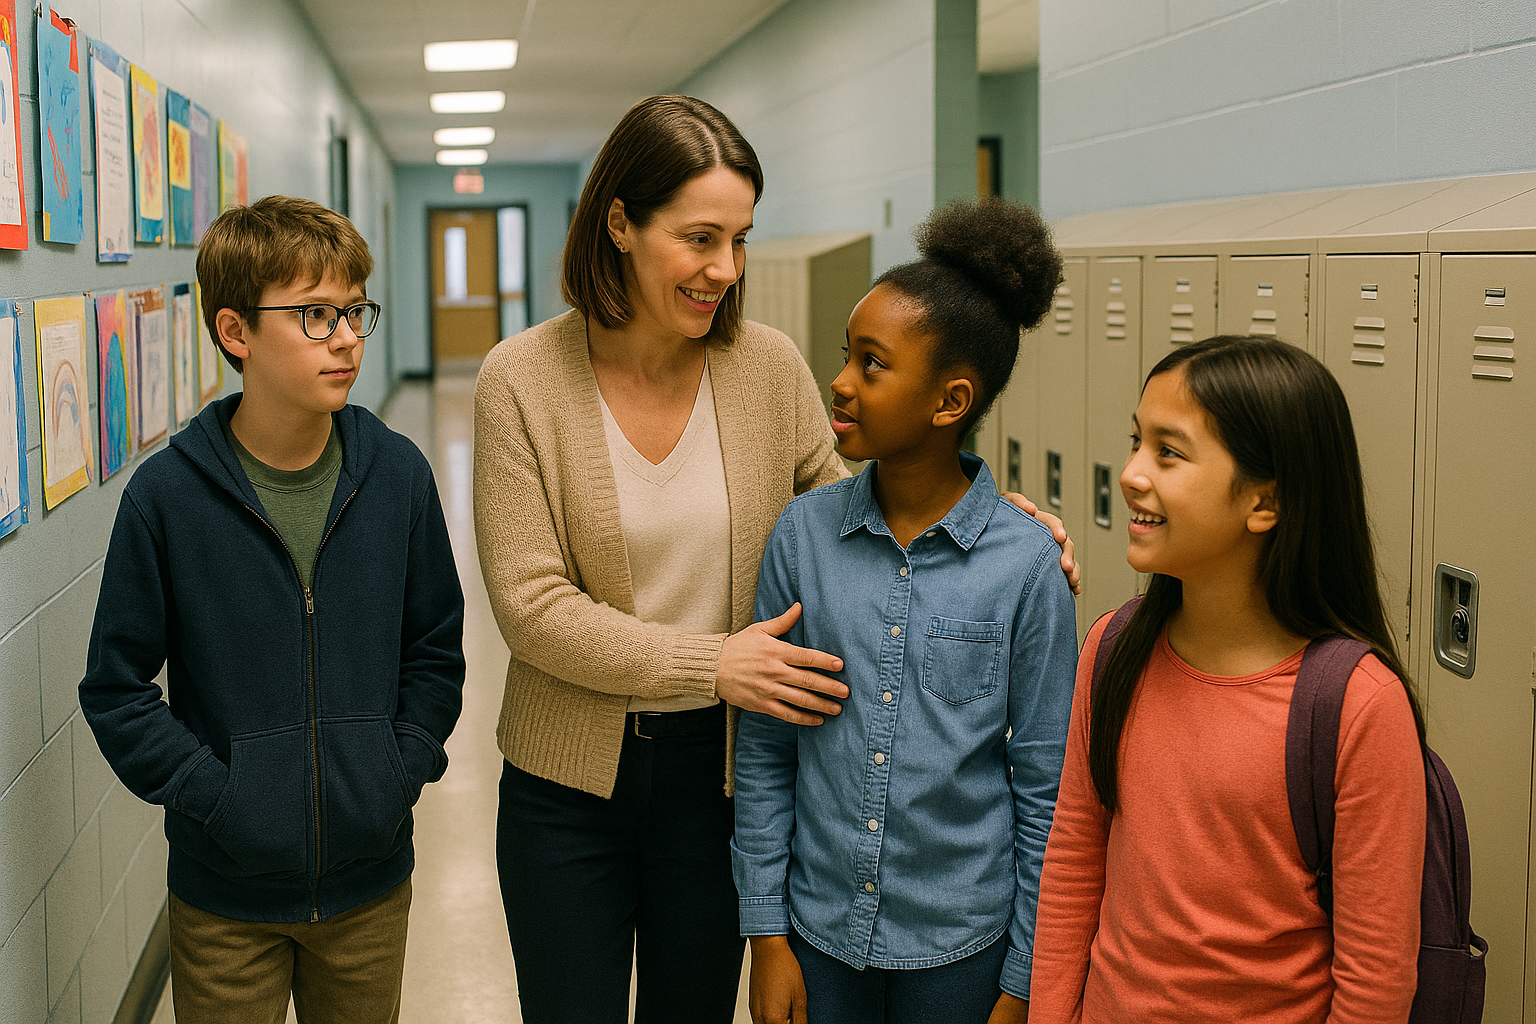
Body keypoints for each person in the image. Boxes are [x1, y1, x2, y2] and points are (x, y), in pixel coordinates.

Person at [473, 95, 1079, 1024]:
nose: (725, 270)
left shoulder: (765, 367)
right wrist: (715, 663)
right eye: (701, 238)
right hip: (569, 790)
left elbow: (861, 507)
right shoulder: (521, 379)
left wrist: (996, 523)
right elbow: (531, 605)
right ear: (621, 224)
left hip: (720, 780)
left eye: (742, 240)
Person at [79, 196, 466, 1024]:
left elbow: (435, 647)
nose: (349, 337)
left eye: (355, 310)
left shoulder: (395, 476)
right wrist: (218, 799)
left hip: (369, 888)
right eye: (315, 315)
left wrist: (397, 771)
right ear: (235, 332)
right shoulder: (168, 498)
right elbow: (115, 689)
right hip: (225, 904)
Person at [732, 198, 1077, 1024]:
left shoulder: (1026, 569)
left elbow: (1046, 793)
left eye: (872, 364)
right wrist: (765, 933)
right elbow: (766, 749)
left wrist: (1022, 978)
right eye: (845, 355)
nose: (840, 382)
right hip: (817, 939)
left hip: (963, 951)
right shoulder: (803, 536)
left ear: (949, 401)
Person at [1028, 336, 1427, 1023]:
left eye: (1169, 452)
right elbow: (1072, 870)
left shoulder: (1358, 705)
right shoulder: (1113, 648)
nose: (1129, 473)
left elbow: (1375, 983)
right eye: (1136, 441)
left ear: (1264, 502)